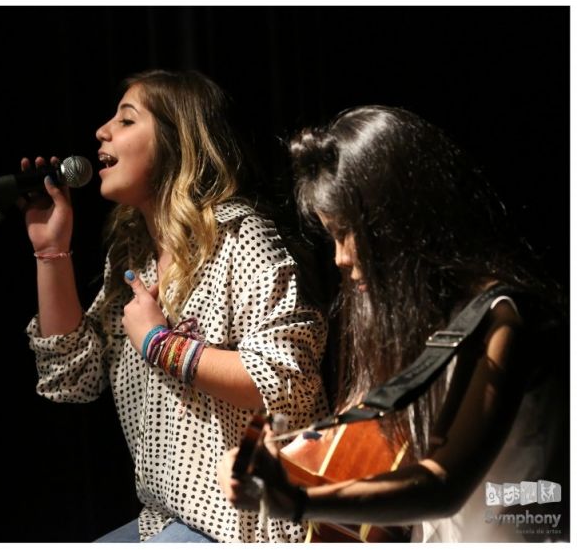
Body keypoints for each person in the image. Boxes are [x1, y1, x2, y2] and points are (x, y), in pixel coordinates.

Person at [217, 105, 567, 542]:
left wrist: (297, 498)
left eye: (346, 233)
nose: (340, 258)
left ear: (398, 222)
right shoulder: (423, 320)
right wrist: (281, 460)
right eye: (332, 236)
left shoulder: (506, 319)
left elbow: (444, 487)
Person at [21, 69, 330, 542]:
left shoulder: (241, 238)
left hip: (245, 527)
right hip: (165, 520)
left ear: (175, 140)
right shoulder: (131, 256)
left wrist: (159, 342)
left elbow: (285, 383)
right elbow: (72, 379)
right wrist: (51, 254)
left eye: (126, 120)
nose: (101, 131)